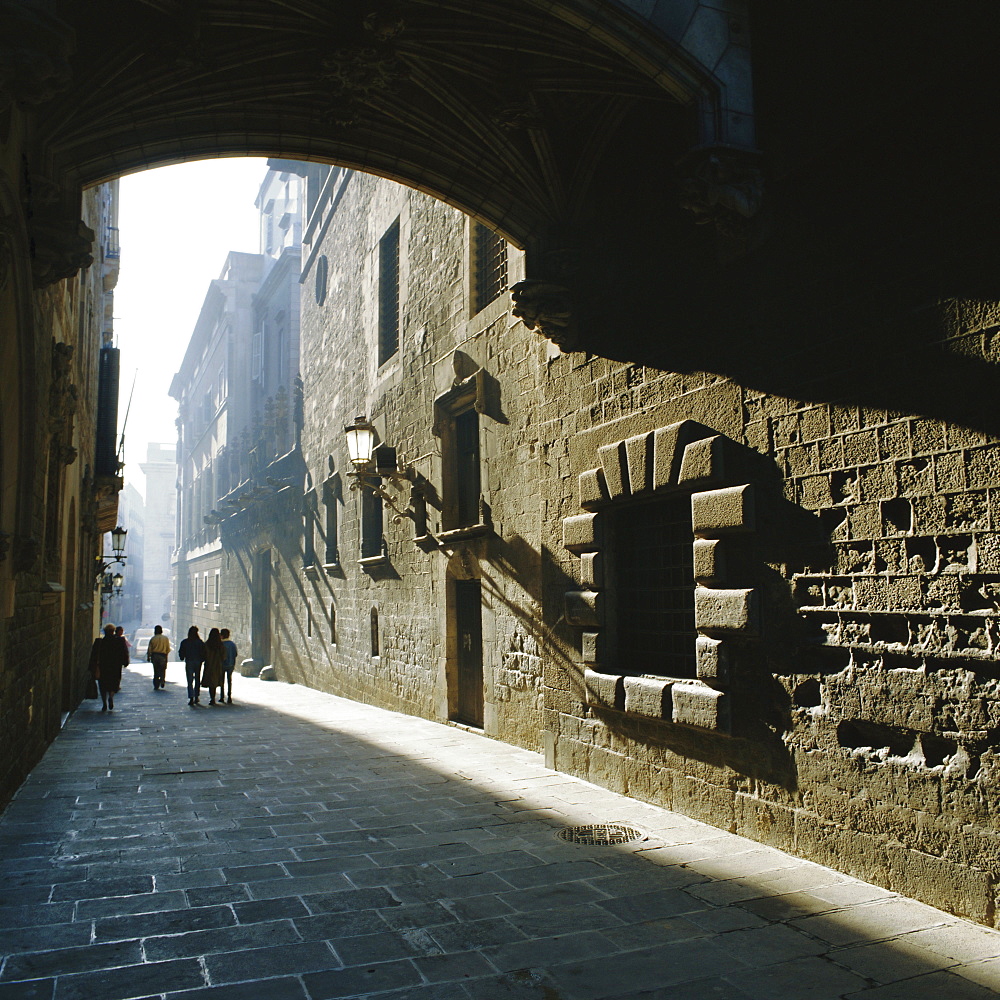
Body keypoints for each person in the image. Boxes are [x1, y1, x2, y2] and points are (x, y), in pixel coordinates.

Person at [89, 623, 129, 711]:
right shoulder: (119, 641)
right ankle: (111, 697)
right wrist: (125, 662)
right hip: (115, 666)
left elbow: (94, 656)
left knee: (102, 684)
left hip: (103, 667)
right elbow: (124, 652)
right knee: (113, 683)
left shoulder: (100, 642)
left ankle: (104, 703)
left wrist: (91, 668)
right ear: (113, 631)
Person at [178, 625, 205, 706]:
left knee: (189, 680)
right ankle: (196, 696)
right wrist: (202, 659)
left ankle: (191, 697)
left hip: (189, 661)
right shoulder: (200, 642)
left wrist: (182, 657)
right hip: (198, 662)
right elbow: (204, 652)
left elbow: (181, 652)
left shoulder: (185, 642)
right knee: (197, 679)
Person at [202, 628, 225, 706]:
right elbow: (224, 656)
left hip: (209, 665)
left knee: (210, 682)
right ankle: (215, 697)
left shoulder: (207, 644)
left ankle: (212, 698)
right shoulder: (221, 645)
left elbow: (203, 655)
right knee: (215, 682)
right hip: (218, 666)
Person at [147, 624, 171, 690]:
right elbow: (168, 649)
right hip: (163, 656)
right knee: (163, 669)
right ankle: (162, 680)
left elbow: (150, 649)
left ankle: (156, 684)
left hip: (155, 656)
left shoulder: (153, 639)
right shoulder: (165, 638)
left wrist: (148, 656)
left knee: (156, 670)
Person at [220, 629, 238, 704]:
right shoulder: (232, 644)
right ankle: (229, 696)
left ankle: (222, 696)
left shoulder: (221, 644)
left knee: (222, 681)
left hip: (222, 664)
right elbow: (235, 654)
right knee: (229, 680)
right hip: (231, 664)